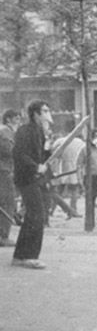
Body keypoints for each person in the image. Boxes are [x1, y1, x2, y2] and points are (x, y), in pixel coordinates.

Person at [11, 101, 54, 269]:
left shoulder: (40, 132)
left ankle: (21, 256)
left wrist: (49, 151)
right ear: (35, 114)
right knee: (37, 215)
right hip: (26, 178)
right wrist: (35, 166)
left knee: (33, 216)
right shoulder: (25, 130)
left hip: (35, 178)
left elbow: (41, 154)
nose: (47, 114)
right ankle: (29, 256)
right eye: (44, 110)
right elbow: (19, 154)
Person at [0, 109, 21, 246]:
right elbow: (9, 150)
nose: (19, 120)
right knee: (8, 202)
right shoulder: (6, 131)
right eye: (16, 118)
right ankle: (3, 235)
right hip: (4, 170)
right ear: (8, 119)